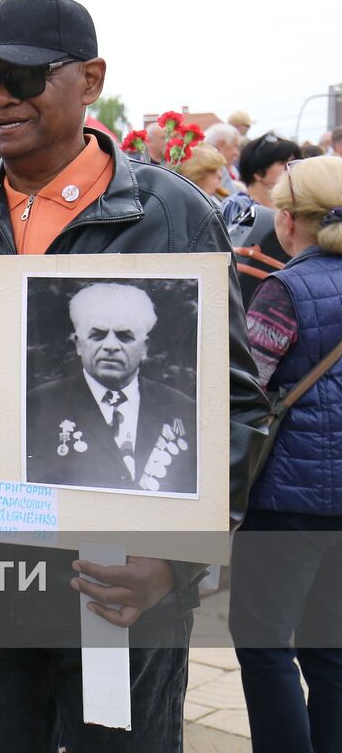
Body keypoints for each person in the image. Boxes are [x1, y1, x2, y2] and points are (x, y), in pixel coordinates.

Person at [0, 0, 268, 751]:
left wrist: (172, 565)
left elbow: (236, 403)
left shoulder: (172, 214)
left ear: (91, 78)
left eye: (22, 77)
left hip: (121, 589)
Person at [230, 154, 342, 752]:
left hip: (289, 498)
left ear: (289, 220)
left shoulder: (285, 288)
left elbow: (246, 385)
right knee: (331, 649)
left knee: (263, 640)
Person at [24, 284, 197, 493]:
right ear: (78, 344)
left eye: (124, 336)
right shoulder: (35, 407)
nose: (111, 346)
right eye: (98, 335)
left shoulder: (183, 409)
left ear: (145, 348)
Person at [220, 132, 304, 228]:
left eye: (292, 164)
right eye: (284, 164)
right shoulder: (237, 206)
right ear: (258, 173)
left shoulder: (291, 207)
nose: (290, 170)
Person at [203, 122, 243, 189]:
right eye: (235, 146)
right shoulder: (207, 172)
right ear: (221, 145)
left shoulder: (233, 170)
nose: (237, 153)